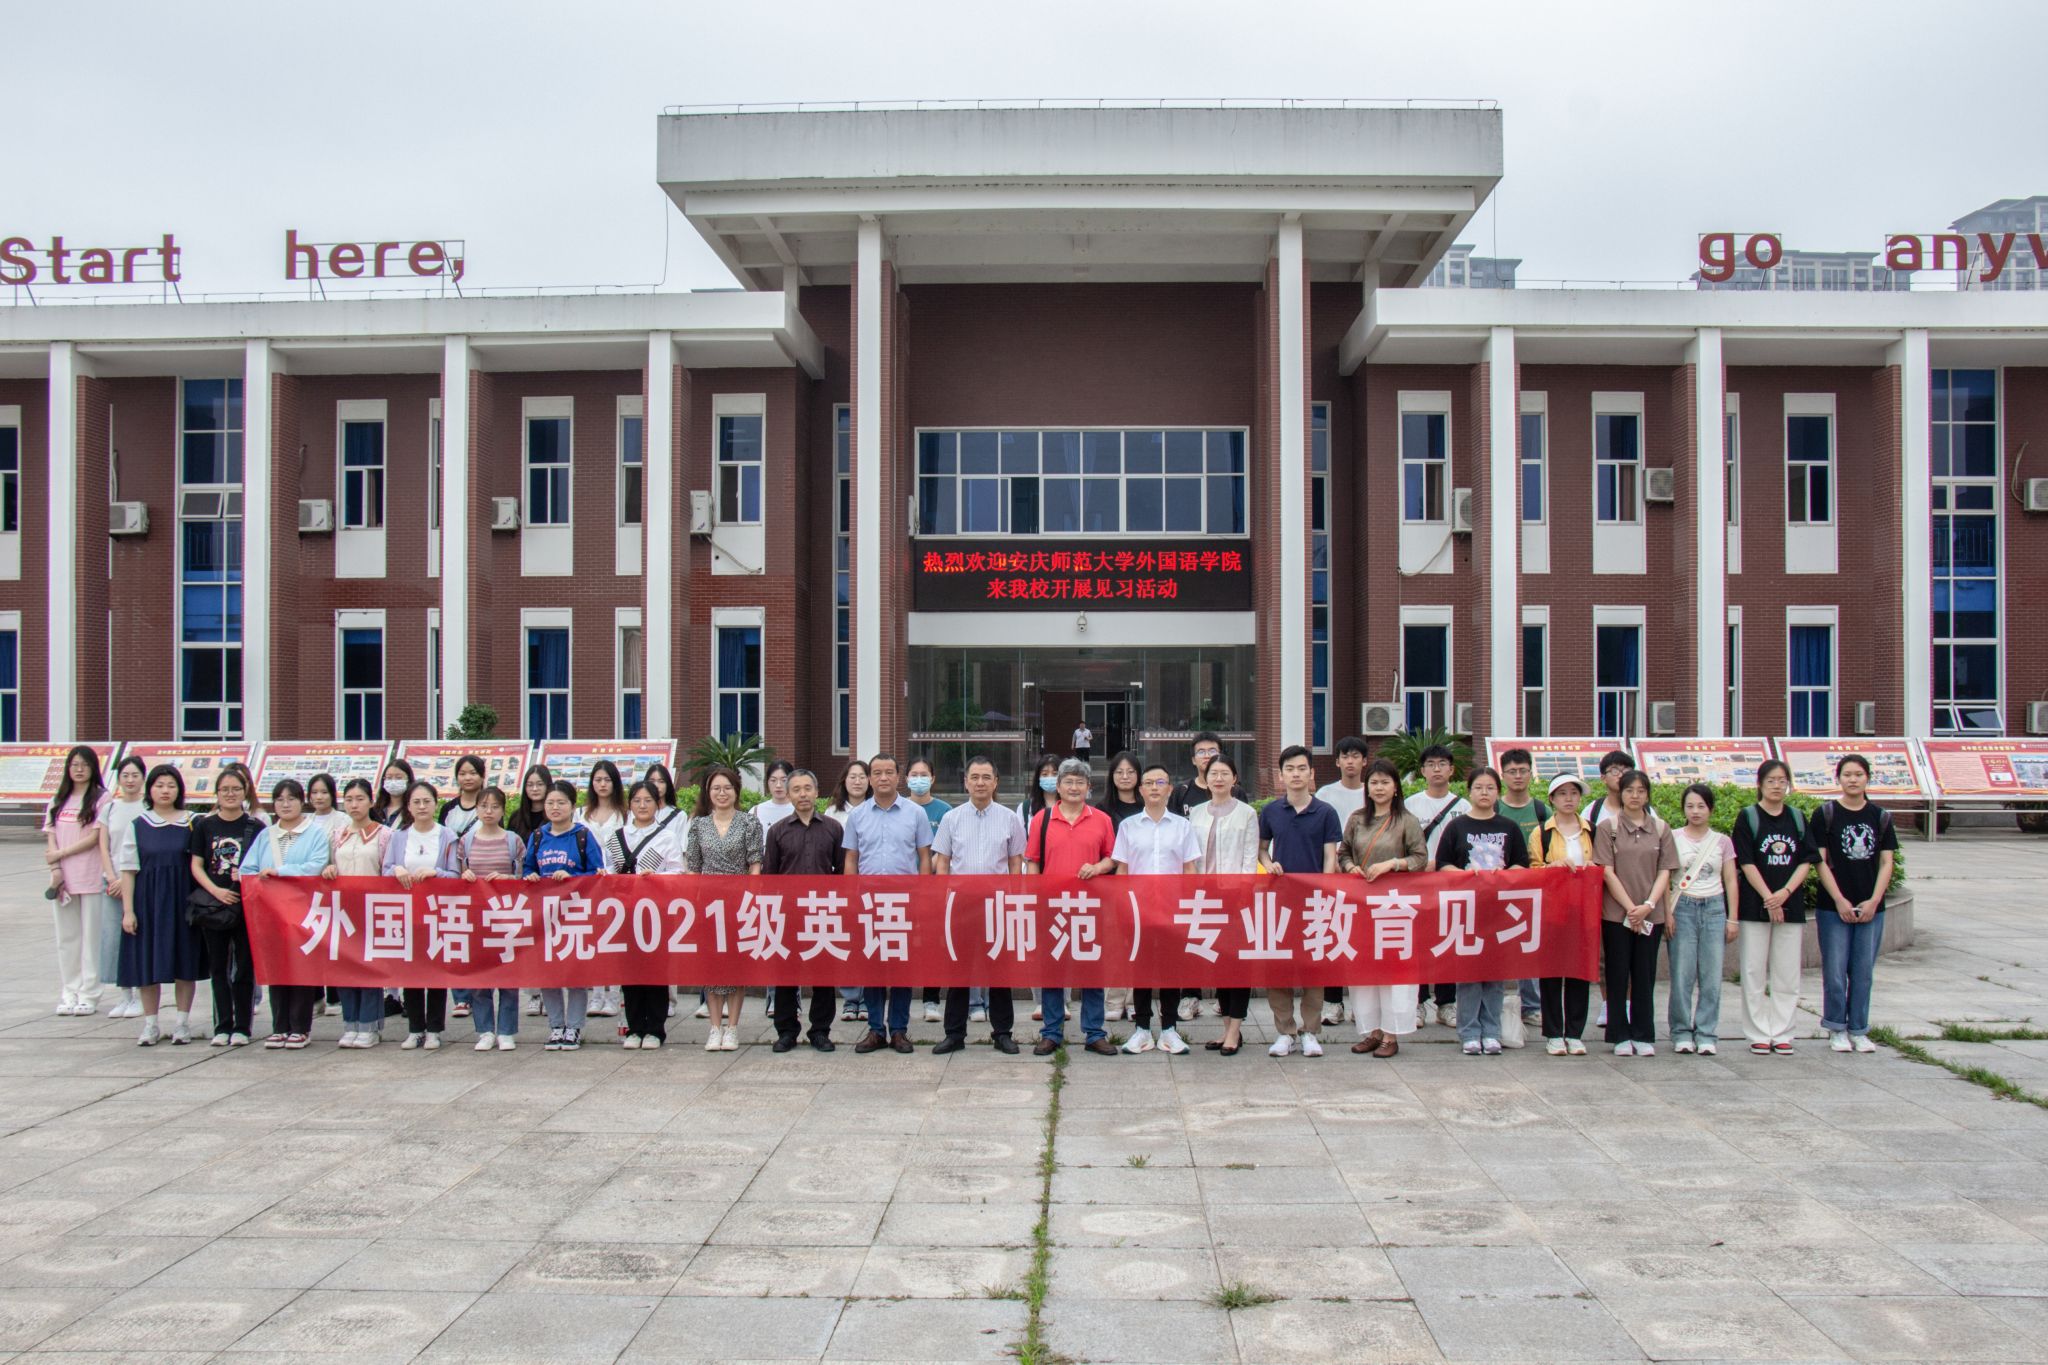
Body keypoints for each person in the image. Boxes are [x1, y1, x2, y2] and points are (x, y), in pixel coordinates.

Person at [1431, 766, 1530, 1056]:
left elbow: (1521, 863)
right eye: (1478, 788)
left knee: (1495, 974)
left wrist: (1504, 875)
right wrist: (1464, 875)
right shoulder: (1457, 826)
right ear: (1469, 792)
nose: (1484, 793)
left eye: (1490, 788)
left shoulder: (1509, 827)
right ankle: (1470, 1032)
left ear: (1498, 792)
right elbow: (1442, 864)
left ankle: (1492, 1031)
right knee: (1469, 973)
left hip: (1499, 911)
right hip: (1467, 909)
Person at [931, 755, 1026, 1056]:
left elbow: (1015, 862)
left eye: (986, 777)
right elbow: (942, 862)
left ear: (996, 782)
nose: (980, 783)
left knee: (999, 972)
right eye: (975, 777)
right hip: (961, 905)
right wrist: (943, 899)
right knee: (958, 971)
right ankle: (954, 1034)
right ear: (966, 782)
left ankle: (1003, 1033)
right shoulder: (952, 818)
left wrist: (1014, 899)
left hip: (997, 905)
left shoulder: (1009, 818)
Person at [1023, 758, 1117, 1056]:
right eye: (1068, 782)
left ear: (1089, 787)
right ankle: (1051, 1032)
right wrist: (1034, 898)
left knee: (1092, 971)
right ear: (1059, 786)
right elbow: (1033, 861)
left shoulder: (1101, 819)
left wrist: (1097, 867)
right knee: (1053, 971)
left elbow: (1112, 857)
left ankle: (1095, 1033)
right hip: (1053, 907)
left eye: (1080, 782)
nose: (1074, 787)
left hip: (1091, 906)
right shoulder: (1043, 819)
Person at [1337, 758, 1426, 1058]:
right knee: (1364, 971)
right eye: (1374, 782)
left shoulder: (1407, 821)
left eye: (1385, 782)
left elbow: (1420, 858)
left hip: (1395, 907)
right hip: (1362, 905)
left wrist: (1392, 864)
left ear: (1396, 787)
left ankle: (1391, 1034)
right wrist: (1349, 867)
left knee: (1393, 972)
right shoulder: (1357, 819)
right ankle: (1372, 1032)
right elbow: (1343, 852)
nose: (1379, 788)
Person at [843, 754, 931, 1054]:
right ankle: (876, 1029)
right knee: (872, 967)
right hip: (868, 902)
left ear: (898, 776)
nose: (883, 778)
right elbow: (851, 859)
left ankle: (899, 1030)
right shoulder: (857, 815)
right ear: (870, 778)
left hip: (904, 902)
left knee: (902, 968)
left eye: (889, 772)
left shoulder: (915, 813)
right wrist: (851, 897)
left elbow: (924, 857)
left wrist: (923, 896)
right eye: (877, 773)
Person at [1259, 745, 1343, 1058]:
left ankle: (1310, 1031)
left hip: (1315, 903)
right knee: (1278, 966)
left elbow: (1330, 856)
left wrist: (1325, 890)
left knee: (1313, 968)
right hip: (1279, 901)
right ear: (1281, 775)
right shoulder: (1271, 811)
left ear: (1312, 773)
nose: (1296, 774)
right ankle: (1285, 1032)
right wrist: (1269, 864)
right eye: (1290, 769)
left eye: (1301, 768)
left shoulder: (1325, 812)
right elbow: (1262, 849)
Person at [1115, 763, 1202, 1056]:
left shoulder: (1182, 826)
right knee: (1140, 970)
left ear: (1169, 789)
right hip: (1138, 910)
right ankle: (1142, 1028)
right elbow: (1122, 870)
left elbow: (1190, 869)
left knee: (1170, 970)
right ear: (1140, 790)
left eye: (1160, 782)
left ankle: (1169, 1029)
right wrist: (1122, 907)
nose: (1154, 787)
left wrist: (1189, 907)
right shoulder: (1128, 827)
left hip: (1172, 909)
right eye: (1149, 783)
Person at [240, 778, 334, 1048]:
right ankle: (279, 1026)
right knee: (276, 967)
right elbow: (247, 869)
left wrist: (280, 873)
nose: (285, 804)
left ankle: (300, 1027)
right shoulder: (266, 835)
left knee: (302, 967)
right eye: (279, 799)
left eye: (291, 799)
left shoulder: (315, 833)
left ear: (301, 801)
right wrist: (261, 877)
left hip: (304, 910)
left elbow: (316, 865)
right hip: (271, 913)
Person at [1813, 755, 1897, 1055]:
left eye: (1858, 774)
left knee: (1863, 973)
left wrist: (1875, 900)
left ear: (1867, 778)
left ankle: (1859, 1029)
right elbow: (1820, 861)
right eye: (1847, 774)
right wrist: (1839, 899)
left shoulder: (1880, 816)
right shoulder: (1825, 814)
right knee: (1835, 972)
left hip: (1871, 907)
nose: (1852, 779)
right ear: (1838, 778)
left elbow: (1887, 862)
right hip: (1833, 907)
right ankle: (1836, 1028)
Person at [1592, 768, 1678, 1057]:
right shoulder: (1608, 827)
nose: (1635, 796)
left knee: (1644, 974)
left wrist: (1648, 906)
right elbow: (1606, 871)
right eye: (1629, 790)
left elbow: (1665, 870)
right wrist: (1631, 908)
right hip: (1617, 915)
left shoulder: (1661, 828)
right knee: (1617, 973)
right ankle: (1619, 1035)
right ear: (1621, 793)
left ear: (1648, 794)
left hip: (1650, 914)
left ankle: (1643, 1034)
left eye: (1641, 791)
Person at [1734, 758, 1815, 1056]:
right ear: (1759, 784)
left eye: (1782, 780)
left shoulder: (1797, 818)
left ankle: (1782, 1033)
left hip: (1790, 905)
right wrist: (1769, 897)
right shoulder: (1748, 817)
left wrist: (1784, 893)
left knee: (1787, 973)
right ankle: (1757, 1033)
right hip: (1754, 905)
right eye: (1771, 781)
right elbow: (1746, 862)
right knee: (1753, 971)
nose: (1777, 786)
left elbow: (1806, 860)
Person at [116, 765, 201, 1046]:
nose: (165, 791)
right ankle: (151, 1025)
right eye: (160, 785)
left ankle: (182, 1024)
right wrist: (128, 911)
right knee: (147, 964)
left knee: (184, 962)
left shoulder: (193, 822)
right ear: (150, 789)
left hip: (183, 902)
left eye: (171, 785)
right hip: (148, 903)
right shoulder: (139, 825)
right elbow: (128, 870)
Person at [764, 768, 846, 1053]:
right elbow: (769, 876)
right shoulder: (777, 831)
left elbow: (841, 873)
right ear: (788, 795)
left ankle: (820, 1031)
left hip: (823, 913)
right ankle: (787, 1031)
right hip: (788, 915)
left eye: (807, 788)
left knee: (823, 976)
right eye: (796, 790)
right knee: (786, 976)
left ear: (816, 791)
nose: (802, 794)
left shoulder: (833, 828)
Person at [523, 779, 606, 1049]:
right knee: (549, 973)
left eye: (561, 802)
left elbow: (597, 873)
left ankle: (575, 1027)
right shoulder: (538, 836)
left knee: (575, 974)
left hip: (575, 914)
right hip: (545, 916)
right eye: (550, 803)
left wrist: (571, 877)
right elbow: (527, 868)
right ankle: (556, 1026)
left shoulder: (582, 836)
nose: (555, 807)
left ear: (572, 806)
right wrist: (531, 876)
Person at [685, 767, 764, 1051]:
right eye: (716, 788)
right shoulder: (699, 825)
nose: (722, 793)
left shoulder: (749, 823)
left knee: (736, 966)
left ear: (736, 791)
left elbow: (755, 864)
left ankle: (732, 1028)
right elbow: (693, 867)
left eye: (727, 788)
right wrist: (694, 903)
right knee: (712, 966)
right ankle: (714, 1027)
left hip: (738, 903)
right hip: (708, 905)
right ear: (708, 793)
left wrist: (750, 899)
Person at [186, 766, 264, 1048]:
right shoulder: (204, 826)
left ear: (245, 792)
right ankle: (222, 1025)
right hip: (214, 905)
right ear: (217, 794)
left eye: (236, 789)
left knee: (244, 968)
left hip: (246, 905)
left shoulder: (256, 827)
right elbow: (196, 865)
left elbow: (264, 863)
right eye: (225, 790)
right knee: (218, 967)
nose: (230, 794)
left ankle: (242, 1027)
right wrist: (216, 891)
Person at [1189, 753, 1262, 1054]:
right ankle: (1226, 1027)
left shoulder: (1247, 814)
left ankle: (1235, 1030)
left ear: (1235, 778)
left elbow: (1250, 859)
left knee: (1238, 964)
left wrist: (1243, 896)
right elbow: (1192, 857)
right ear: (1205, 779)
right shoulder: (1195, 813)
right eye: (1213, 773)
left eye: (1224, 773)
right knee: (1218, 964)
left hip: (1236, 898)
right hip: (1205, 898)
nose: (1218, 779)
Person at [383, 779, 461, 1049]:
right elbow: (386, 869)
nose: (422, 806)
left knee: (436, 972)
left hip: (438, 912)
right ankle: (415, 1028)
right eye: (416, 802)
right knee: (411, 971)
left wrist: (435, 873)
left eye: (427, 801)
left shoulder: (447, 836)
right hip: (407, 913)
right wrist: (396, 870)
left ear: (436, 804)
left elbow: (455, 874)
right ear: (408, 806)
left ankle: (435, 1029)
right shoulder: (399, 836)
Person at [608, 779, 687, 1049]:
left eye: (648, 801)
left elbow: (677, 872)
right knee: (629, 971)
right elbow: (609, 870)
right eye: (637, 801)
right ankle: (634, 1028)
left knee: (655, 970)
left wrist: (657, 877)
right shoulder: (618, 837)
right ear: (629, 804)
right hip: (625, 912)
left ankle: (655, 1028)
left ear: (657, 804)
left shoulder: (667, 837)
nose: (642, 806)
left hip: (656, 912)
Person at [454, 786, 527, 1050]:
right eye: (484, 806)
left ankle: (506, 1030)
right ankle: (484, 1030)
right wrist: (465, 876)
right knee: (479, 976)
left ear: (502, 810)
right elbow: (456, 875)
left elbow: (524, 877)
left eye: (495, 806)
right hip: (476, 916)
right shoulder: (466, 841)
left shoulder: (513, 841)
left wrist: (509, 879)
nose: (489, 811)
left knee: (508, 976)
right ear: (476, 809)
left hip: (506, 916)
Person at [1529, 773, 1597, 1055]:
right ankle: (1554, 1033)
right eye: (1562, 793)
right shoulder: (1542, 832)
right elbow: (1532, 871)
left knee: (1580, 971)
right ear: (1552, 799)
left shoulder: (1592, 830)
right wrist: (1552, 867)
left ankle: (1575, 1033)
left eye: (1574, 793)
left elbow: (1604, 864)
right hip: (1553, 910)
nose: (1569, 799)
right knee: (1552, 971)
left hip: (1584, 910)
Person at [1668, 782, 1738, 1057]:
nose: (1695, 811)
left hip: (1714, 908)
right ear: (1683, 809)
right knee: (1682, 975)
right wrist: (1666, 913)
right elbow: (1665, 878)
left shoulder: (1722, 842)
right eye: (1690, 806)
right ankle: (1681, 1032)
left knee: (1711, 977)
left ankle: (1707, 1033)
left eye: (1701, 806)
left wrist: (1733, 919)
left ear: (1710, 809)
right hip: (1682, 908)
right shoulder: (1673, 837)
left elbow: (1730, 880)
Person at [324, 778, 393, 1047]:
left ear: (371, 801)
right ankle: (350, 1023)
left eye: (360, 799)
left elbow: (387, 870)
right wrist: (328, 869)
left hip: (372, 909)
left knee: (369, 968)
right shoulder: (337, 835)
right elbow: (329, 864)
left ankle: (369, 1025)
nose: (354, 805)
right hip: (343, 910)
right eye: (349, 799)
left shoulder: (383, 834)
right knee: (345, 968)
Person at [44, 745, 112, 1017]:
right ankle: (69, 991)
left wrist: (60, 854)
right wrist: (55, 868)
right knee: (67, 938)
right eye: (74, 765)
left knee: (91, 938)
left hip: (91, 875)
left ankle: (89, 994)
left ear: (93, 768)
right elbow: (51, 834)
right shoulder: (58, 799)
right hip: (63, 878)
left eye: (84, 764)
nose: (79, 769)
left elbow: (95, 837)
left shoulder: (102, 798)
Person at [1406, 744, 1470, 1028]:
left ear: (1451, 770)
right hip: (1418, 884)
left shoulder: (1464, 807)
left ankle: (1446, 1004)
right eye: (1431, 764)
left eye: (1442, 764)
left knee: (1448, 941)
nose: (1436, 769)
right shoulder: (1411, 805)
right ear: (1422, 771)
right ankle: (1418, 1003)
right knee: (1419, 943)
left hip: (1452, 884)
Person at [1496, 748, 1550, 1028]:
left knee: (1530, 948)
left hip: (1533, 890)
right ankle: (1492, 1006)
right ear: (1503, 775)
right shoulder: (1495, 808)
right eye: (1512, 771)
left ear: (1530, 773)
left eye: (1523, 771)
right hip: (1497, 890)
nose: (1518, 776)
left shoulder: (1541, 810)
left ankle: (1532, 1005)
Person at [904, 755, 957, 1023]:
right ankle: (899, 1003)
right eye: (914, 775)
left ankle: (931, 1000)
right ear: (906, 779)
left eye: (923, 775)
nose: (919, 779)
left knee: (932, 944)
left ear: (933, 779)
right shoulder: (899, 808)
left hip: (933, 886)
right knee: (901, 942)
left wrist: (927, 870)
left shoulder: (944, 810)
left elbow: (945, 848)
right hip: (902, 888)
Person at [1094, 751, 1144, 1023]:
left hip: (1144, 886)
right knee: (1114, 945)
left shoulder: (1148, 806)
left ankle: (1135, 1000)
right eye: (1119, 772)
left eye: (1131, 772)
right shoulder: (1101, 810)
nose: (1125, 777)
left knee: (1139, 943)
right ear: (1111, 776)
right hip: (1112, 885)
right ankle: (1113, 1000)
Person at [577, 760, 629, 1020]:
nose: (602, 784)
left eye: (607, 780)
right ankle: (596, 994)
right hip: (589, 883)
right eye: (598, 780)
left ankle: (613, 995)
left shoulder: (625, 814)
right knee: (594, 940)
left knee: (615, 940)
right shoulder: (581, 813)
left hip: (616, 883)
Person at [100, 755, 149, 1018]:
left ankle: (141, 996)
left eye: (135, 775)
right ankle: (124, 996)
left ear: (143, 778)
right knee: (114, 940)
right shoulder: (110, 808)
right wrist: (112, 878)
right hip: (112, 883)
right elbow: (103, 846)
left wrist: (126, 879)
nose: (130, 780)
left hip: (139, 881)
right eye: (125, 776)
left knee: (138, 937)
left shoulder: (148, 807)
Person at [825, 758, 874, 1020]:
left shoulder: (876, 808)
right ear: (844, 781)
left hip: (871, 885)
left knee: (868, 942)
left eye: (862, 776)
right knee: (846, 942)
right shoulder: (833, 813)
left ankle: (867, 999)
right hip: (842, 886)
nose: (857, 781)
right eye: (852, 776)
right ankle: (850, 998)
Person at [1169, 732, 1247, 816]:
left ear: (1220, 756)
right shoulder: (1180, 792)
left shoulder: (1236, 791)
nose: (1207, 756)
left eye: (1212, 751)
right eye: (1201, 752)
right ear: (1193, 760)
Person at [439, 755, 489, 838]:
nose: (467, 778)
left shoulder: (491, 807)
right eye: (462, 774)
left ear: (483, 776)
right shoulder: (448, 808)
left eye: (473, 773)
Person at [371, 757, 417, 828]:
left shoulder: (414, 810)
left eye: (398, 777)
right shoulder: (375, 810)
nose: (393, 782)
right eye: (389, 778)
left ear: (408, 779)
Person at [755, 760, 797, 830]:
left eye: (784, 780)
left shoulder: (801, 810)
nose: (778, 785)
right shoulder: (756, 811)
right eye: (773, 780)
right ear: (767, 782)